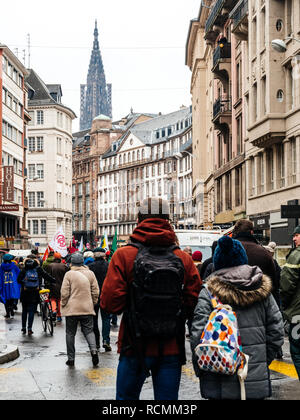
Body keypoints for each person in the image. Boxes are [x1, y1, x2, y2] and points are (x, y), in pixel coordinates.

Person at [100, 197, 202, 400]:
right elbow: (194, 302)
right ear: (168, 221)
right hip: (171, 345)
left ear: (138, 220)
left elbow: (110, 304)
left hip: (133, 344)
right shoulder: (184, 258)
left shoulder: (123, 255)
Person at [191, 235, 284, 400]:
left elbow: (197, 334)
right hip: (252, 377)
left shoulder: (208, 292)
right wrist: (261, 361)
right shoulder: (261, 289)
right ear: (243, 259)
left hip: (217, 377)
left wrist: (202, 369)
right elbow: (276, 330)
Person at [60, 252, 100, 367]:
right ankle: (93, 351)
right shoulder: (90, 273)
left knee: (70, 333)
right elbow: (96, 290)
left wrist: (63, 304)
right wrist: (92, 303)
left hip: (72, 309)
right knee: (89, 331)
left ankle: (71, 359)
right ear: (82, 262)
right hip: (87, 308)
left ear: (71, 262)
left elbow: (64, 292)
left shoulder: (69, 274)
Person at [232, 219, 277, 298]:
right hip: (257, 300)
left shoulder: (226, 250)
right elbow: (273, 280)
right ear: (251, 232)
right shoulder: (263, 252)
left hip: (229, 300)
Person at [17, 255, 56, 335]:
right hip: (35, 292)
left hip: (25, 292)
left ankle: (23, 328)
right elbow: (46, 276)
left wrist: (24, 283)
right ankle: (30, 329)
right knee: (31, 311)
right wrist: (53, 281)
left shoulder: (24, 270)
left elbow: (18, 280)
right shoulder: (38, 269)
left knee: (24, 310)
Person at [280, 225, 300, 379]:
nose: (294, 238)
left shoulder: (296, 255)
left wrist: (284, 305)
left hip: (297, 314)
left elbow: (286, 285)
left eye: (297, 235)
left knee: (297, 349)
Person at [88, 247, 111, 351]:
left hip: (93, 296)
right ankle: (106, 340)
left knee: (94, 320)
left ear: (94, 256)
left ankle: (96, 342)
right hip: (106, 295)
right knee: (106, 319)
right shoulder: (109, 266)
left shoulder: (90, 267)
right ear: (104, 255)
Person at [47, 252, 69, 323]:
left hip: (52, 285)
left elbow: (47, 275)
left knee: (52, 299)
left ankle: (54, 310)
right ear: (60, 258)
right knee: (59, 300)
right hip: (62, 285)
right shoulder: (64, 266)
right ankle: (59, 315)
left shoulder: (50, 266)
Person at [0, 254, 21, 319]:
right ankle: (11, 309)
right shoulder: (14, 266)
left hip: (4, 284)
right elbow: (19, 274)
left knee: (6, 299)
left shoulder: (1, 266)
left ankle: (7, 313)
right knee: (12, 297)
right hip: (13, 284)